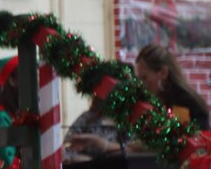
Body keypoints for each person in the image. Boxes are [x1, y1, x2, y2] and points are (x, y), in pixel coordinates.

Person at [68, 44, 210, 156]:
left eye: (144, 78)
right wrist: (104, 146)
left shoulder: (183, 102)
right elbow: (146, 146)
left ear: (163, 73)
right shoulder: (155, 102)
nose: (141, 84)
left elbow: (175, 144)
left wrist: (106, 146)